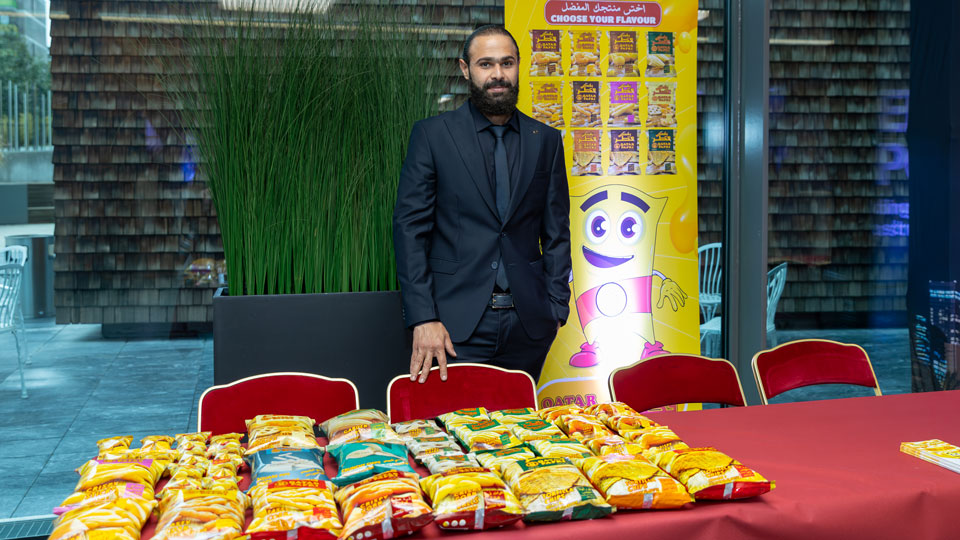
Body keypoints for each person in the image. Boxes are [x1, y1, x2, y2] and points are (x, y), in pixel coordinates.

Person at [393, 25, 572, 384]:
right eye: (485, 64)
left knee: (521, 434)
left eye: (507, 63)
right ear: (465, 69)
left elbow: (556, 233)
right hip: (452, 330)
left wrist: (555, 308)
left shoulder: (546, 140)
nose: (498, 75)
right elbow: (410, 231)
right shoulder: (432, 136)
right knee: (455, 434)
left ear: (519, 66)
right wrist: (423, 318)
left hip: (529, 326)